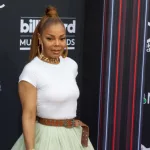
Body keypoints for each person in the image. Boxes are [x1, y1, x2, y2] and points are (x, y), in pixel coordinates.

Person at [11, 6, 94, 150]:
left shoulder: (71, 65)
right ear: (40, 38)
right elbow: (29, 116)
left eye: (62, 38)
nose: (57, 44)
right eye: (50, 38)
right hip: (45, 139)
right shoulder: (31, 70)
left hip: (73, 136)